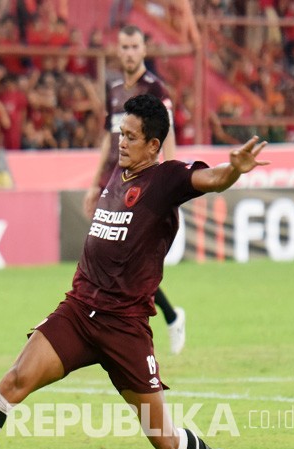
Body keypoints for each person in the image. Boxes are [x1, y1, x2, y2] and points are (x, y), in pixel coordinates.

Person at [0, 94, 271, 449]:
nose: (122, 142)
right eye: (121, 133)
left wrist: (234, 170)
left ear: (153, 146)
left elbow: (209, 180)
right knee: (13, 382)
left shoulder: (165, 180)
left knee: (164, 439)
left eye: (132, 136)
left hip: (125, 328)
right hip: (77, 313)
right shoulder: (118, 173)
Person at [84, 24, 186, 355]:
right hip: (113, 183)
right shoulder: (114, 89)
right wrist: (93, 182)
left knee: (125, 258)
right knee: (117, 258)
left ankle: (131, 325)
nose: (128, 52)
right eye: (124, 47)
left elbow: (168, 136)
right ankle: (164, 317)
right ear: (119, 50)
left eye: (134, 47)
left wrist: (172, 182)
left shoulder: (156, 89)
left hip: (143, 183)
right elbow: (107, 138)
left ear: (144, 50)